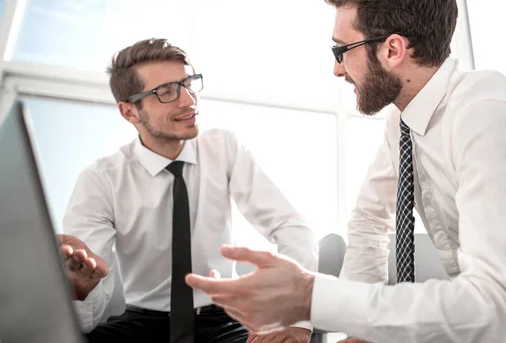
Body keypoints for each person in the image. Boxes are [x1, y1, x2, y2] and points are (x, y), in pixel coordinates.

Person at [185, 0, 506, 343]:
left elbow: (500, 310)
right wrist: (352, 327)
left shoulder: (487, 115)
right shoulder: (404, 119)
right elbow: (369, 222)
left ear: (392, 49)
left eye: (340, 50)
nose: (335, 68)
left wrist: (312, 297)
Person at [58, 38, 317, 343]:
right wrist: (79, 288)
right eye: (166, 92)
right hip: (143, 325)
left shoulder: (224, 149)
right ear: (129, 112)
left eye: (189, 84)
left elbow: (289, 226)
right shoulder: (100, 179)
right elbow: (89, 308)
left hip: (224, 321)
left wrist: (293, 315)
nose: (188, 101)